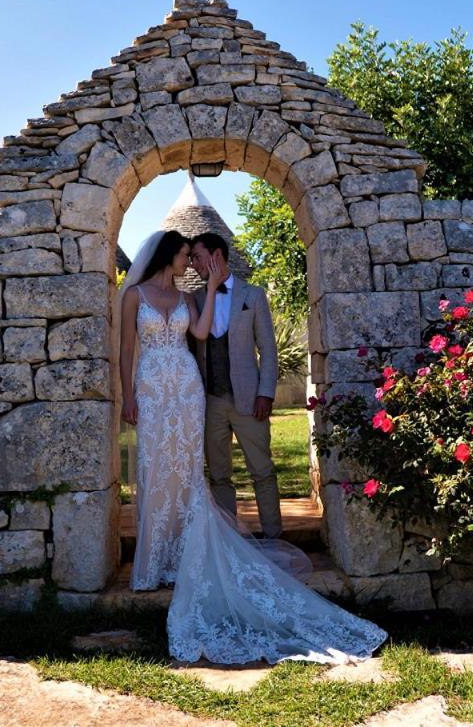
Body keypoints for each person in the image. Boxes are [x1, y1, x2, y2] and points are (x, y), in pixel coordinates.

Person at [119, 230, 386, 665]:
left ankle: (229, 545)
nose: (191, 263)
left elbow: (207, 335)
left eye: (197, 256)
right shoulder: (136, 295)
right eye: (187, 256)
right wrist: (127, 395)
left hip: (190, 389)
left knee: (197, 473)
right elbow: (125, 352)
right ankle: (155, 561)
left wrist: (207, 289)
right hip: (157, 389)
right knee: (159, 471)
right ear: (170, 254)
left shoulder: (199, 297)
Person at [188, 231, 282, 539]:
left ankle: (273, 538)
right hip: (210, 400)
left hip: (248, 399)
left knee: (262, 470)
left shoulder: (252, 296)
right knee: (218, 475)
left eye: (197, 257)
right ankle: (229, 543)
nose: (193, 265)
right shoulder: (195, 298)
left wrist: (265, 393)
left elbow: (268, 349)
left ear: (216, 255)